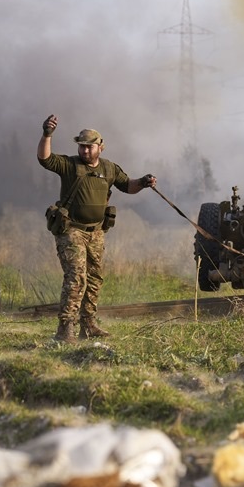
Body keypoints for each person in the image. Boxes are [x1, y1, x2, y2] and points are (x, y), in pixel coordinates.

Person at [38, 114, 156, 342]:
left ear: (100, 147)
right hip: (71, 230)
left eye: (89, 147)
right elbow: (45, 159)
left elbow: (127, 186)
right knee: (76, 277)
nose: (84, 151)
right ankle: (65, 329)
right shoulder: (70, 165)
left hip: (96, 232)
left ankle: (88, 324)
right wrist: (47, 134)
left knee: (94, 278)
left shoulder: (109, 169)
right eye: (81, 147)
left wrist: (143, 182)